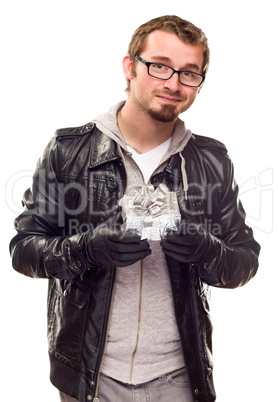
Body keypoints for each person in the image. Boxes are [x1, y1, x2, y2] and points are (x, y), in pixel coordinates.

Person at [9, 15, 260, 402]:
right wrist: (85, 249)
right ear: (130, 66)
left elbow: (245, 260)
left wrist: (207, 250)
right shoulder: (67, 150)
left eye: (189, 73)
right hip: (90, 374)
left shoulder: (211, 160)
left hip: (179, 375)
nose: (173, 83)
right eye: (160, 66)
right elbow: (24, 249)